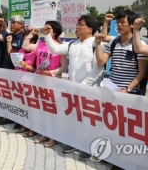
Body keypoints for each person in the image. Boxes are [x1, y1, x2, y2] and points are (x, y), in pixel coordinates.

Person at [43, 15, 105, 161]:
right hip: (73, 88)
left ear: (90, 29)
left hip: (89, 90)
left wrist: (83, 86)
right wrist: (47, 35)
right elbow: (55, 49)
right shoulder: (72, 44)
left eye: (81, 25)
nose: (77, 27)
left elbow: (99, 67)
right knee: (76, 117)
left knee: (89, 120)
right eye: (77, 24)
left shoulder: (96, 44)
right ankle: (74, 143)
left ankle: (87, 147)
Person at [95, 11, 148, 95]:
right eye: (118, 22)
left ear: (132, 25)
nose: (119, 25)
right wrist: (97, 44)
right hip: (111, 89)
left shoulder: (140, 45)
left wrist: (127, 89)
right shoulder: (113, 42)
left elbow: (142, 72)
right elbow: (101, 62)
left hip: (130, 93)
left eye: (123, 22)